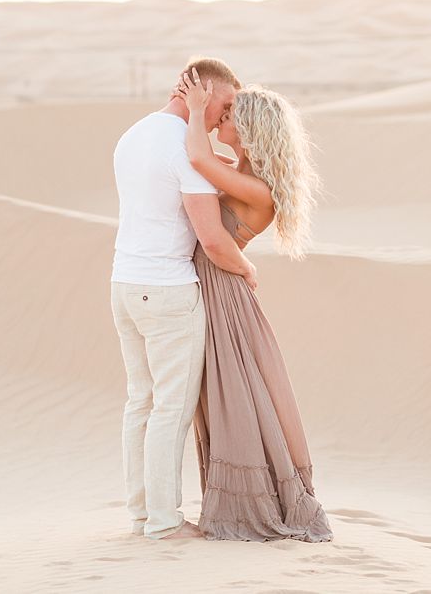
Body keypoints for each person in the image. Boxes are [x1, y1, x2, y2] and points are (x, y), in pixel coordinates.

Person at [174, 66, 334, 543]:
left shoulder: (259, 189)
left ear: (248, 130)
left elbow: (198, 159)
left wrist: (197, 109)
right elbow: (207, 159)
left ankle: (254, 502)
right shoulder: (242, 173)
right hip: (218, 283)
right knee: (225, 391)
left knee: (234, 392)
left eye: (229, 116)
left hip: (223, 289)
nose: (220, 120)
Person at [110, 57, 257, 540]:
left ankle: (140, 514)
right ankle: (164, 522)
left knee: (141, 403)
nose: (223, 117)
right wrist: (247, 267)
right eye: (227, 104)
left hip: (124, 284)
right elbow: (213, 239)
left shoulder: (133, 135)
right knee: (171, 409)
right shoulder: (182, 149)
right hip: (168, 291)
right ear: (204, 92)